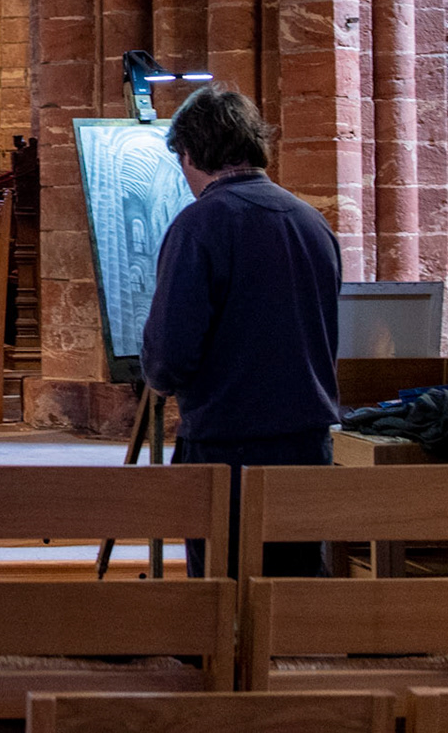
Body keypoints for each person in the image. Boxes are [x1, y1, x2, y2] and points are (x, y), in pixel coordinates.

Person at [140, 85, 341, 577]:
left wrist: (155, 372)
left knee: (222, 602)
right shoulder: (312, 222)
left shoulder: (200, 225)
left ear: (190, 153)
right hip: (307, 444)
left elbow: (170, 356)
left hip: (227, 446)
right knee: (291, 603)